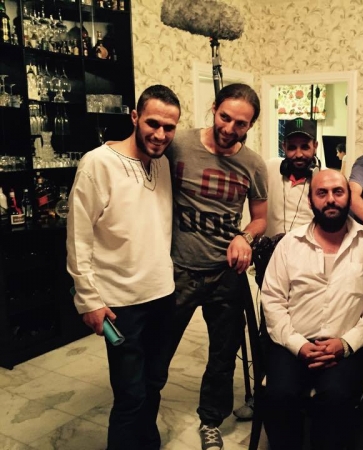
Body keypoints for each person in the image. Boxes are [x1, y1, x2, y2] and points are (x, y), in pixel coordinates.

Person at [66, 85, 181, 450]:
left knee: (154, 383)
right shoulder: (97, 164)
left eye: (169, 127)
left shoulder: (162, 164)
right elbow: (78, 235)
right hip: (120, 303)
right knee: (130, 395)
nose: (160, 134)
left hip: (163, 294)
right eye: (152, 123)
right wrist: (88, 299)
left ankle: (148, 443)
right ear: (135, 117)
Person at [165, 83, 267, 450]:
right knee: (158, 348)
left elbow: (260, 218)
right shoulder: (178, 144)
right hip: (178, 270)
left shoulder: (253, 164)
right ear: (214, 108)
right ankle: (142, 416)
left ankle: (211, 420)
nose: (230, 128)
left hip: (226, 273)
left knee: (223, 354)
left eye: (241, 124)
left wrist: (245, 237)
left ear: (250, 125)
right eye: (225, 117)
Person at [261, 169, 363, 450]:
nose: (331, 199)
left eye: (338, 192)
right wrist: (297, 344)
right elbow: (272, 300)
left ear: (348, 197)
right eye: (322, 193)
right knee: (279, 396)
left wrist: (345, 344)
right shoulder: (289, 244)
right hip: (293, 342)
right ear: (310, 201)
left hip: (345, 344)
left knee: (337, 399)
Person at [264, 118, 319, 237]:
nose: (298, 154)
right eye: (292, 147)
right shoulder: (269, 167)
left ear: (315, 146)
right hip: (271, 246)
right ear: (284, 147)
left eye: (305, 147)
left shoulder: (325, 180)